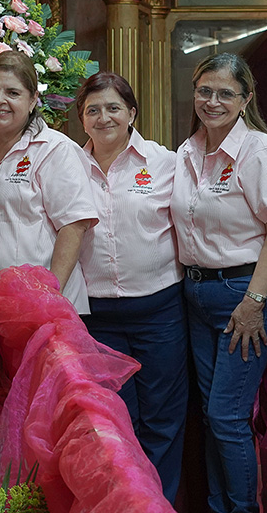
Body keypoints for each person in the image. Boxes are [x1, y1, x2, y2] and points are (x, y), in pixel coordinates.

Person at [171, 52, 267, 513]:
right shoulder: (186, 151)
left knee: (227, 416)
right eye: (205, 90)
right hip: (197, 294)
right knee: (211, 416)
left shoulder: (260, 150)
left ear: (245, 99)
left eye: (226, 93)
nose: (213, 101)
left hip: (243, 295)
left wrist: (254, 301)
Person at [75, 72, 187, 503]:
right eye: (93, 110)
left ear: (132, 113)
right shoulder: (68, 165)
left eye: (113, 108)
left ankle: (160, 505)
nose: (104, 118)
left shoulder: (165, 163)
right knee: (115, 424)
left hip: (159, 312)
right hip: (96, 318)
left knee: (163, 421)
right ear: (82, 120)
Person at [0, 51, 96, 310]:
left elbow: (74, 227)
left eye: (13, 93)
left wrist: (50, 296)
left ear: (32, 101)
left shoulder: (54, 149)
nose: (0, 100)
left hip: (34, 306)